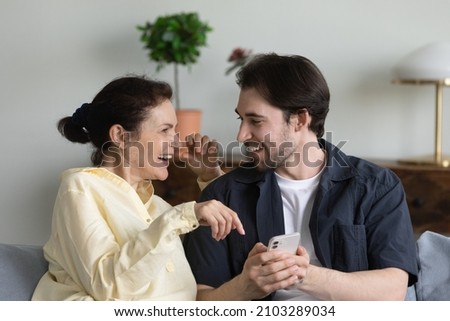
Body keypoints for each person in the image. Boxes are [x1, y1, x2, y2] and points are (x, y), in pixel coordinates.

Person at [183, 53, 418, 301]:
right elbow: (201, 301)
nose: (241, 135)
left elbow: (393, 291)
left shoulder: (377, 187)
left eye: (255, 121)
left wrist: (302, 274)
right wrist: (244, 286)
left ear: (300, 119)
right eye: (241, 119)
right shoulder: (222, 195)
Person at [32, 75, 244, 301]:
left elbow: (231, 243)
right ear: (120, 136)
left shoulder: (157, 207)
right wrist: (182, 215)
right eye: (165, 130)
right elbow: (109, 287)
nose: (176, 142)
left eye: (175, 131)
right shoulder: (80, 188)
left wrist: (211, 177)